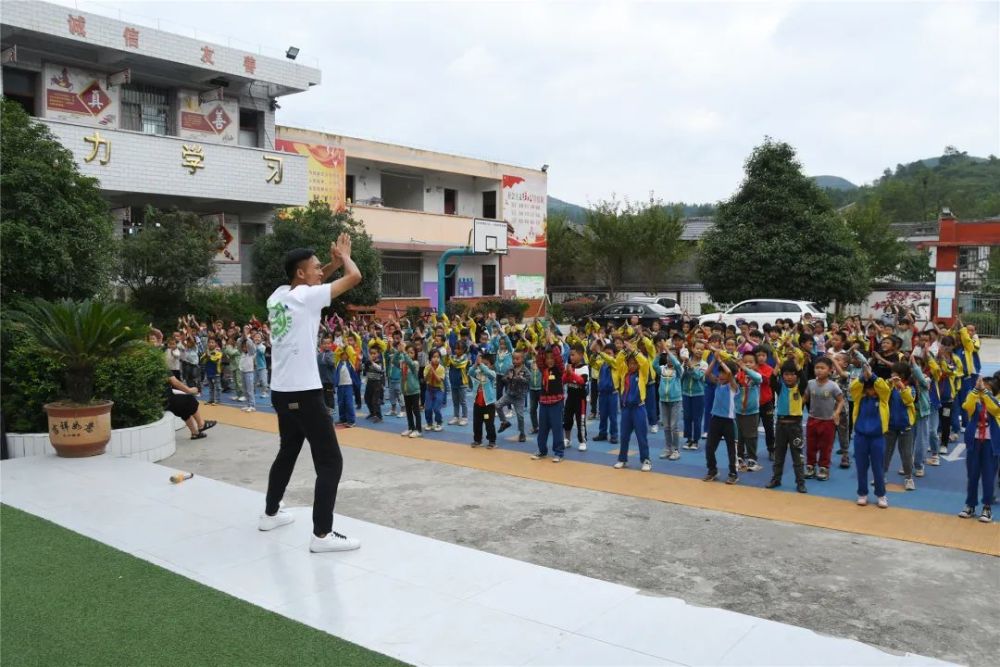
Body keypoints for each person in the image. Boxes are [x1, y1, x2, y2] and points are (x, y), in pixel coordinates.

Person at [258, 235, 363, 553]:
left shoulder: (278, 296)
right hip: (305, 394)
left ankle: (270, 513)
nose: (321, 271)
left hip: (281, 391)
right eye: (316, 267)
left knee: (287, 451)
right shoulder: (306, 297)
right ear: (301, 274)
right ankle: (322, 534)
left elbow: (313, 282)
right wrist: (344, 257)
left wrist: (328, 264)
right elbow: (355, 277)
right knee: (330, 461)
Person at [958, 376, 998, 522]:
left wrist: (985, 394)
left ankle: (987, 507)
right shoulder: (974, 400)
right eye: (982, 387)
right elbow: (966, 406)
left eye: (987, 388)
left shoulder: (996, 401)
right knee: (972, 476)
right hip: (974, 443)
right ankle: (970, 505)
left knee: (988, 477)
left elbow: (995, 409)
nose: (983, 389)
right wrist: (976, 390)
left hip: (990, 444)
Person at [851, 365, 890, 509]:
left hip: (877, 438)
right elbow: (853, 388)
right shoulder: (858, 398)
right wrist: (862, 377)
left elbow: (884, 388)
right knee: (861, 467)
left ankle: (881, 494)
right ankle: (862, 493)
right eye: (869, 388)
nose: (872, 391)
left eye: (874, 388)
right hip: (860, 437)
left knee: (878, 468)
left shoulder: (884, 398)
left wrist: (873, 376)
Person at [766, 360, 808, 493]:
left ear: (796, 376)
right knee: (779, 454)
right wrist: (778, 365)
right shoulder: (780, 388)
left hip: (795, 427)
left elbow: (805, 379)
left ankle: (800, 482)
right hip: (780, 426)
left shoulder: (800, 388)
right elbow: (772, 379)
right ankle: (776, 479)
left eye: (792, 374)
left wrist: (797, 365)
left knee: (797, 456)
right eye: (786, 374)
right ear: (782, 375)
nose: (789, 377)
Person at [613, 342, 653, 472]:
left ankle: (646, 459)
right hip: (626, 409)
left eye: (635, 363)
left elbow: (645, 362)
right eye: (630, 363)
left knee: (641, 436)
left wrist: (634, 351)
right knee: (624, 436)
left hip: (638, 408)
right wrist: (625, 350)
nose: (633, 365)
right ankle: (622, 459)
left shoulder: (643, 374)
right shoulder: (623, 372)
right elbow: (618, 360)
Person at [803, 357, 844, 481]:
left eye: (822, 368)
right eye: (817, 368)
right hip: (812, 419)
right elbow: (805, 398)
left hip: (827, 421)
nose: (819, 370)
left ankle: (823, 467)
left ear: (830, 370)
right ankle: (810, 466)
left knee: (826, 446)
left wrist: (836, 412)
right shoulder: (810, 383)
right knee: (811, 444)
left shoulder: (833, 386)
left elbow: (841, 400)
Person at [703, 354, 740, 484]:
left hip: (728, 421)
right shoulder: (718, 384)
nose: (721, 375)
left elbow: (729, 373)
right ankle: (712, 470)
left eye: (723, 373)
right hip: (715, 419)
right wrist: (714, 360)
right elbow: (707, 374)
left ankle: (733, 473)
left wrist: (720, 360)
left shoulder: (733, 386)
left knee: (731, 449)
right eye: (720, 373)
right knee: (709, 447)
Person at [532, 332, 566, 462]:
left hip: (556, 402)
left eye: (552, 357)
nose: (550, 360)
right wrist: (543, 344)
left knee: (557, 428)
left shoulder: (559, 369)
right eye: (548, 358)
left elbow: (558, 358)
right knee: (543, 428)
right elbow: (539, 358)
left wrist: (552, 343)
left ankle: (559, 452)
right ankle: (542, 450)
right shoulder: (543, 368)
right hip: (544, 403)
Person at [734, 350, 763, 473]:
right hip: (739, 410)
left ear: (756, 365)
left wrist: (745, 368)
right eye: (745, 362)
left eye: (751, 362)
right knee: (740, 436)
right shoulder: (738, 376)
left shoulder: (755, 376)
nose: (747, 364)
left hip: (752, 412)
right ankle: (740, 458)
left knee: (751, 436)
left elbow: (759, 378)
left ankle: (752, 459)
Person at [165, 374, 216, 439]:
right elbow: (175, 382)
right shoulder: (161, 367)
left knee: (182, 406)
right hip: (165, 400)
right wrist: (190, 390)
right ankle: (201, 424)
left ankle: (195, 433)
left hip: (160, 400)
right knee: (189, 399)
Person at [657, 341, 684, 461]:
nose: (669, 358)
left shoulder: (679, 370)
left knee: (674, 426)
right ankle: (668, 448)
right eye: (668, 356)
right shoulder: (662, 369)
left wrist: (668, 350)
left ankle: (676, 450)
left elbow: (677, 364)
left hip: (675, 401)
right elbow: (653, 365)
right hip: (664, 400)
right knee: (666, 426)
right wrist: (659, 352)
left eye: (672, 356)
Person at [498, 349, 530, 442]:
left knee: (520, 416)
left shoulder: (525, 370)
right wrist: (508, 378)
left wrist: (521, 378)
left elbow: (529, 380)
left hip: (519, 397)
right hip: (509, 394)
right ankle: (504, 422)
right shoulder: (510, 368)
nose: (515, 361)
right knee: (497, 405)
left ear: (522, 359)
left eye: (517, 359)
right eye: (513, 359)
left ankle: (522, 433)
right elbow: (503, 378)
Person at [562, 345, 589, 452]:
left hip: (580, 399)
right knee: (567, 419)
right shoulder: (569, 366)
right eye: (570, 355)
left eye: (573, 355)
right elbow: (563, 380)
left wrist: (571, 374)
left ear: (581, 355)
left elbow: (581, 381)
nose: (571, 357)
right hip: (570, 398)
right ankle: (567, 439)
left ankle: (582, 441)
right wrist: (567, 373)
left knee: (580, 421)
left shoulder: (584, 367)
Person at [470, 352, 498, 448]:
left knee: (489, 423)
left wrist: (481, 364)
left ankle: (492, 441)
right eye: (482, 363)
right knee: (477, 423)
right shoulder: (477, 373)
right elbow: (470, 372)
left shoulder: (492, 374)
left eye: (486, 364)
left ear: (491, 365)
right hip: (477, 404)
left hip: (488, 405)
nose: (483, 366)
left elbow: (487, 372)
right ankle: (477, 440)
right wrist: (475, 365)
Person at [681, 341, 706, 450]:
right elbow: (681, 376)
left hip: (698, 394)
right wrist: (684, 366)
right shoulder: (686, 361)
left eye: (702, 349)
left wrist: (690, 367)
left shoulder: (704, 364)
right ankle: (688, 439)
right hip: (686, 393)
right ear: (692, 348)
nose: (699, 351)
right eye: (697, 348)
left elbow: (698, 376)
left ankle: (695, 440)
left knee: (697, 418)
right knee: (687, 417)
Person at [400, 343, 423, 438]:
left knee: (416, 410)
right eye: (408, 352)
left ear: (415, 354)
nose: (409, 354)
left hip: (414, 390)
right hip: (406, 391)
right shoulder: (404, 364)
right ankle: (411, 427)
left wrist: (404, 353)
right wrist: (398, 352)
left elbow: (410, 363)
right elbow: (393, 361)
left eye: (411, 353)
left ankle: (418, 429)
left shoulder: (415, 363)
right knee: (408, 410)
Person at [446, 342, 470, 426]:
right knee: (455, 401)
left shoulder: (465, 358)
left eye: (458, 348)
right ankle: (456, 416)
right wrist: (447, 355)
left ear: (463, 350)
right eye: (455, 348)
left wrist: (450, 356)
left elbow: (458, 364)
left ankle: (464, 417)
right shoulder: (452, 357)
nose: (456, 350)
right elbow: (447, 364)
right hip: (453, 383)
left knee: (463, 401)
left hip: (462, 383)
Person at [423, 349, 446, 431]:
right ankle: (429, 423)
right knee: (428, 408)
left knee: (436, 408)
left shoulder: (441, 368)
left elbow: (439, 380)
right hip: (429, 389)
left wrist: (433, 371)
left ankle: (439, 423)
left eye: (438, 357)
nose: (436, 359)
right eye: (434, 357)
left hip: (439, 390)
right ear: (430, 359)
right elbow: (425, 379)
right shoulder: (427, 367)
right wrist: (429, 370)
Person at [363, 347, 385, 423]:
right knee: (367, 398)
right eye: (371, 353)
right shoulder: (368, 362)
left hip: (377, 383)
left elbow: (379, 369)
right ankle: (372, 413)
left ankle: (379, 416)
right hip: (369, 382)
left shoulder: (379, 362)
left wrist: (372, 362)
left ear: (378, 354)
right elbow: (365, 371)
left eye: (374, 353)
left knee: (375, 400)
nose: (372, 355)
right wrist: (366, 363)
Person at [239, 338, 258, 413]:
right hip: (243, 372)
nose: (244, 348)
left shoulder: (251, 353)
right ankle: (248, 404)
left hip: (249, 373)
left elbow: (252, 346)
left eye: (246, 347)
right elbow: (238, 342)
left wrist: (247, 338)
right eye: (243, 347)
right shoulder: (242, 353)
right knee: (245, 390)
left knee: (250, 390)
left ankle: (252, 406)